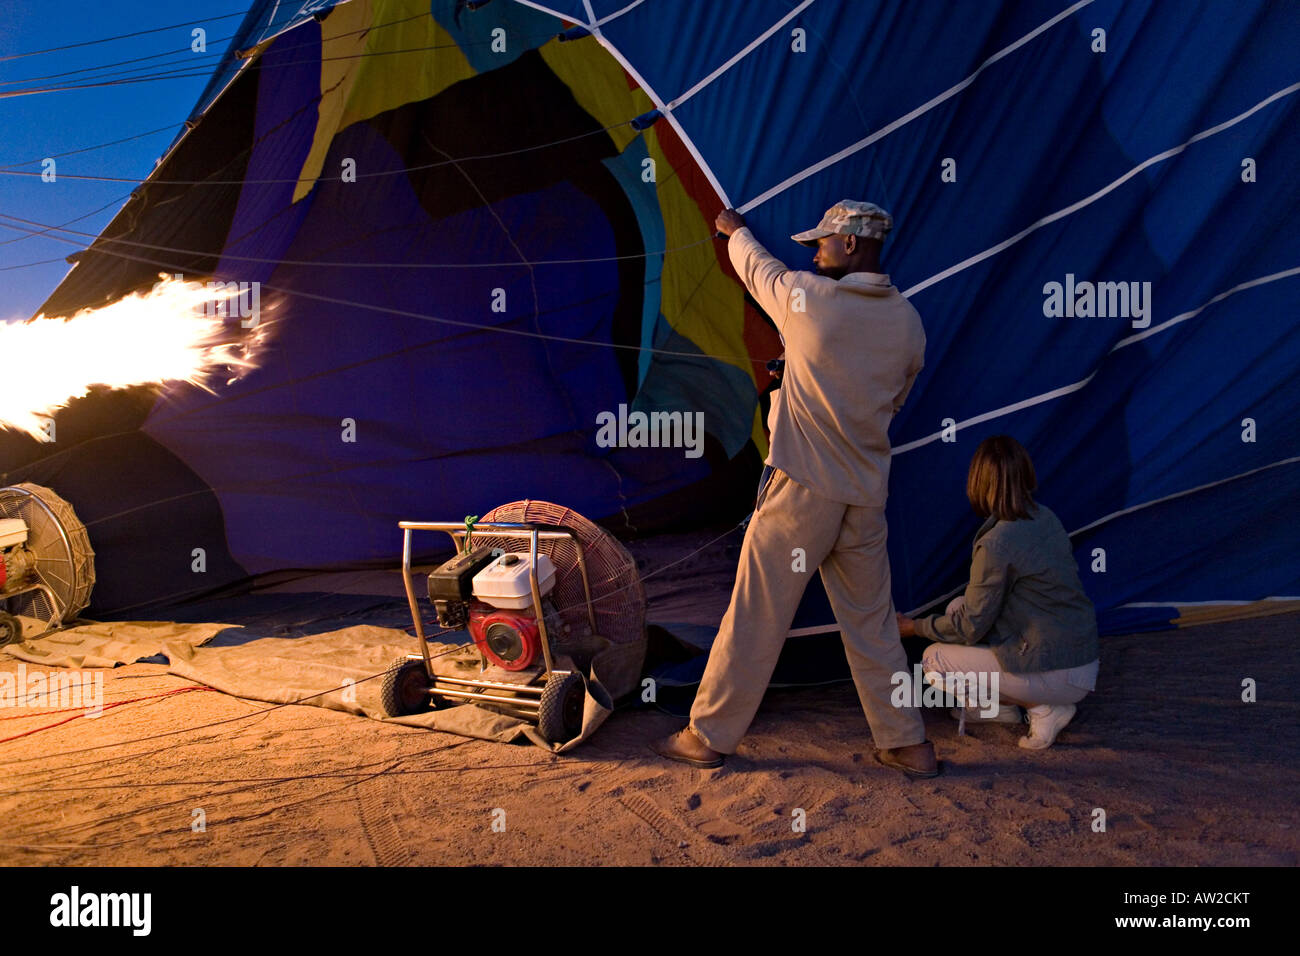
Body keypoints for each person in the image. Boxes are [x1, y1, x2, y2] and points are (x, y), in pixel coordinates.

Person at [652, 200, 938, 776]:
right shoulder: (909, 322)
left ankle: (707, 736)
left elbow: (758, 268)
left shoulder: (810, 299)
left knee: (756, 613)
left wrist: (735, 230)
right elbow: (891, 400)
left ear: (851, 244)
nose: (813, 251)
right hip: (864, 495)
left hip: (802, 488)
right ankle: (908, 743)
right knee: (874, 623)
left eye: (822, 242)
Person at [897, 435, 1100, 750]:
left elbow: (970, 627)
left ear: (979, 482)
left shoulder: (997, 542)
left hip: (1058, 673)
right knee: (958, 605)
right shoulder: (1045, 517)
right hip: (1083, 661)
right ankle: (999, 709)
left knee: (933, 660)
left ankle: (1044, 709)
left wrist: (914, 627)